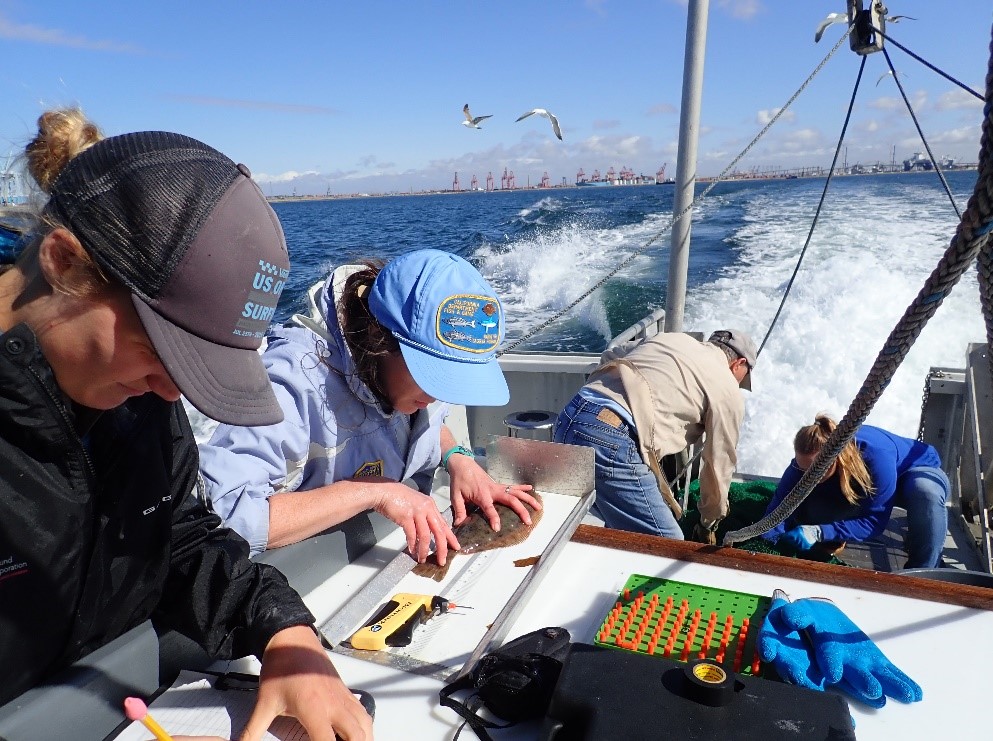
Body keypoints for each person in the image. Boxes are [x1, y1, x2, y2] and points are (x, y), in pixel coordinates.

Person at [0, 109, 372, 740]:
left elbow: (176, 536)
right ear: (64, 261)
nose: (175, 390)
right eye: (166, 350)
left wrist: (284, 632)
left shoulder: (136, 396)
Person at [199, 249, 540, 565]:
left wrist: (457, 459)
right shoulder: (291, 384)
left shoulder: (400, 381)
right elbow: (227, 516)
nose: (436, 395)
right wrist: (372, 493)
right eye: (432, 375)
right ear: (381, 339)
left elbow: (427, 420)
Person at [552, 328, 756, 541]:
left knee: (621, 526)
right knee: (667, 543)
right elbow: (719, 464)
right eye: (744, 378)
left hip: (571, 415)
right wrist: (708, 522)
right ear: (739, 364)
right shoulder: (728, 389)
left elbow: (610, 356)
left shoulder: (671, 338)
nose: (740, 385)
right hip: (611, 438)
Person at [762, 415, 950, 569]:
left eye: (815, 472)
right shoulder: (802, 465)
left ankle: (923, 569)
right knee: (811, 506)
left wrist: (819, 532)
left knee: (926, 494)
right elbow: (780, 506)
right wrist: (768, 540)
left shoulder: (875, 456)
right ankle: (832, 537)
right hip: (858, 478)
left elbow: (875, 522)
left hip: (913, 470)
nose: (808, 476)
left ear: (835, 458)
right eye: (803, 470)